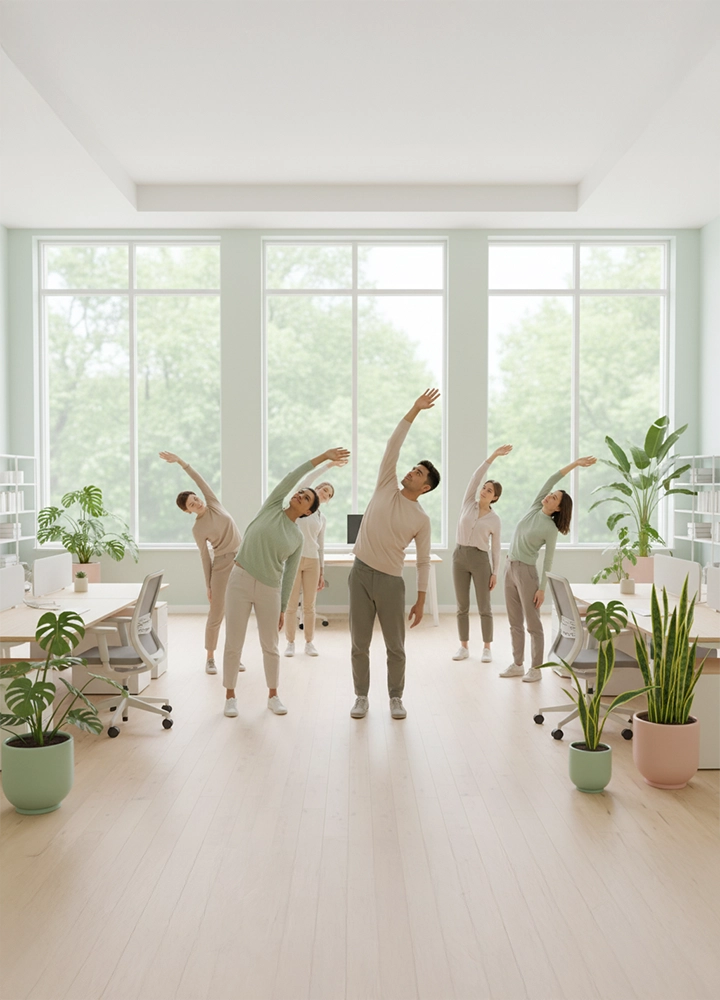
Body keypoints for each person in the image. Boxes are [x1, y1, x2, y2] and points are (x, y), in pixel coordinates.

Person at [222, 446, 350, 718]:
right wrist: (324, 457)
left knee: (270, 645)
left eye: (305, 498)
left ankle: (273, 695)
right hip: (240, 580)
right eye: (301, 493)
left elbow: (289, 575)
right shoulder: (272, 506)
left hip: (269, 588)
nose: (300, 495)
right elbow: (295, 475)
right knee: (234, 641)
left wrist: (282, 608)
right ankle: (230, 696)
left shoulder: (297, 537)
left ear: (307, 512)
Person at [349, 389, 441, 721]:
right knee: (359, 644)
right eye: (413, 468)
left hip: (390, 582)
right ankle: (361, 696)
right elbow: (393, 445)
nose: (411, 472)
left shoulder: (421, 519)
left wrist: (419, 600)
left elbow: (423, 560)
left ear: (426, 487)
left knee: (395, 648)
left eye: (418, 473)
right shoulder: (386, 483)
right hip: (359, 574)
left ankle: (396, 698)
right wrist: (414, 410)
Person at [500, 456, 597, 683]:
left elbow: (548, 561)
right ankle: (517, 664)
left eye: (553, 497)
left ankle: (536, 667)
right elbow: (553, 478)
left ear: (558, 507)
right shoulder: (535, 507)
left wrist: (542, 589)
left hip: (526, 573)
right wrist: (575, 464)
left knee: (532, 623)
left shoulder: (550, 529)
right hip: (509, 567)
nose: (548, 496)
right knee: (514, 621)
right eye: (550, 494)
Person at [159, 451, 241, 675]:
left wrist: (180, 462)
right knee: (217, 614)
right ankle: (210, 658)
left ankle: (234, 656)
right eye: (191, 504)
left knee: (238, 613)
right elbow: (205, 556)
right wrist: (208, 584)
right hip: (222, 567)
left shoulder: (214, 504)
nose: (196, 502)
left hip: (243, 561)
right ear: (188, 511)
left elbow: (199, 480)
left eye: (195, 498)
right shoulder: (198, 528)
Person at [452, 444, 512, 663]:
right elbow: (475, 478)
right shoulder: (468, 503)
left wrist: (495, 572)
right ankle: (464, 646)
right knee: (462, 605)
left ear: (495, 497)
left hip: (480, 560)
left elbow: (496, 548)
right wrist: (493, 456)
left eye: (489, 490)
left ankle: (487, 647)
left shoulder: (494, 520)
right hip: (459, 556)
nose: (483, 491)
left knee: (484, 606)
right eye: (484, 487)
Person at [284, 458, 347, 658]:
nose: (324, 493)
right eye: (322, 489)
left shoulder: (321, 518)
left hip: (312, 562)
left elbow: (321, 546)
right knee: (291, 604)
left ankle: (309, 643)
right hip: (293, 558)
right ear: (315, 489)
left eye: (328, 494)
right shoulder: (301, 506)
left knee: (310, 605)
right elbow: (308, 478)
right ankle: (290, 642)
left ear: (327, 501)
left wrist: (322, 571)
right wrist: (329, 464)